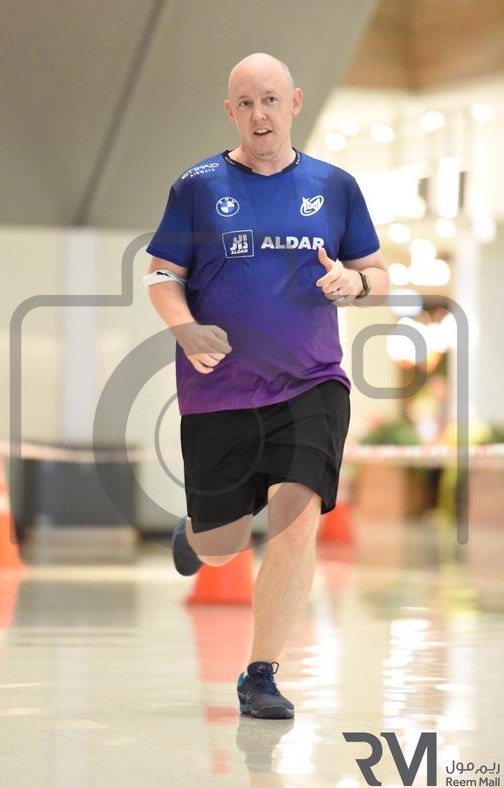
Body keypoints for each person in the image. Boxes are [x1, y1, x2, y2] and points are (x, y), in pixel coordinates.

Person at [144, 52, 389, 719]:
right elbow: (162, 274)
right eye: (246, 103)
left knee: (296, 517)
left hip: (312, 383)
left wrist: (354, 282)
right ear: (231, 112)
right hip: (219, 393)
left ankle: (261, 674)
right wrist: (185, 328)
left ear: (295, 103)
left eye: (271, 100)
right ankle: (196, 536)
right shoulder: (197, 186)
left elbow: (377, 276)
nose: (260, 115)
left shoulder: (335, 186)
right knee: (224, 544)